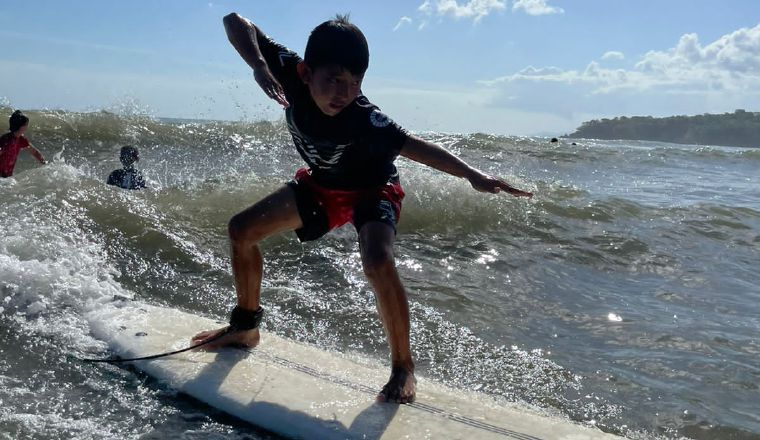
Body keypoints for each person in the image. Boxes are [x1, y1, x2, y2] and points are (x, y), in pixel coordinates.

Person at [191, 12, 533, 404]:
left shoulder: (366, 118)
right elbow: (236, 21)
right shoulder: (287, 71)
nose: (343, 92)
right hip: (322, 185)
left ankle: (403, 367)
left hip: (373, 189)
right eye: (334, 79)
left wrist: (472, 174)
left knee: (376, 261)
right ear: (305, 72)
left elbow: (414, 146)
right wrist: (258, 65)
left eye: (355, 83)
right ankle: (246, 327)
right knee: (242, 230)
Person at [0, 110, 46, 178]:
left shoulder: (21, 140)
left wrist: (44, 164)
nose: (27, 126)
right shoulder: (5, 140)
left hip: (7, 177)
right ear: (21, 126)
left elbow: (34, 152)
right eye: (26, 124)